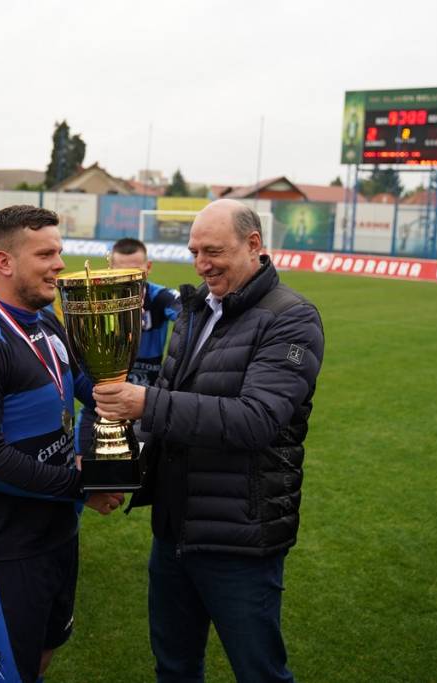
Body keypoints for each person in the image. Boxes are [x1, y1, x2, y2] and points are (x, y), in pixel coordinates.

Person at [94, 199, 324, 682]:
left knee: (259, 672)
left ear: (254, 244)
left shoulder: (293, 317)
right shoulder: (197, 308)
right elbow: (171, 406)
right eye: (195, 251)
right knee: (174, 667)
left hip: (238, 535)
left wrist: (145, 403)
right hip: (173, 527)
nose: (201, 264)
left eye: (213, 251)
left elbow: (255, 420)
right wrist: (117, 462)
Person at [0, 205, 123, 682]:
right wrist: (82, 483)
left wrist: (143, 400)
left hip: (59, 533)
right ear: (4, 262)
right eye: (46, 254)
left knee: (44, 651)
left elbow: (90, 388)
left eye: (59, 252)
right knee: (7, 675)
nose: (59, 264)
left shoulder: (48, 325)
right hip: (9, 545)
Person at [75, 237, 180, 456]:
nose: (127, 278)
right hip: (103, 401)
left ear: (148, 268)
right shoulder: (94, 299)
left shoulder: (159, 297)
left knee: (145, 476)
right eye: (121, 271)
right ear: (110, 268)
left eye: (135, 271)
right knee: (88, 476)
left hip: (144, 401)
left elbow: (187, 314)